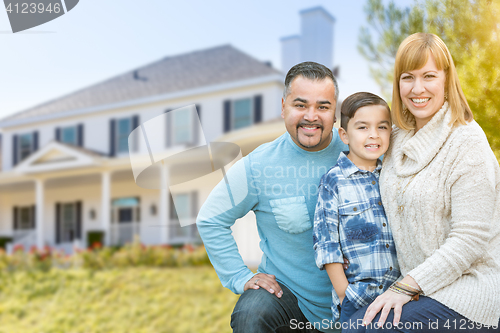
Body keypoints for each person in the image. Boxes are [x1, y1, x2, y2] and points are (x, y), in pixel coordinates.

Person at [345, 33, 500, 332]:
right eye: (408, 77)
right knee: (349, 322)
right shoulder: (396, 138)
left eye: (429, 76)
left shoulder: (466, 141)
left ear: (446, 79)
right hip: (418, 290)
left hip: (469, 292)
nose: (418, 88)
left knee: (360, 329)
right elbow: (356, 148)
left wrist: (405, 287)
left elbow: (469, 238)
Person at [196, 62, 348, 333]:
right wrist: (240, 276)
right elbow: (210, 219)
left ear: (335, 112)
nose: (311, 116)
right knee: (252, 313)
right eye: (300, 105)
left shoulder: (360, 151)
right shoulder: (259, 166)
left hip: (361, 304)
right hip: (292, 305)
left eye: (323, 107)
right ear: (283, 107)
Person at [313, 92, 400, 328]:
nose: (374, 135)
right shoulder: (334, 182)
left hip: (399, 296)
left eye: (382, 127)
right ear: (344, 135)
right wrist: (345, 296)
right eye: (363, 127)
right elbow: (327, 246)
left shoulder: (393, 176)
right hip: (358, 299)